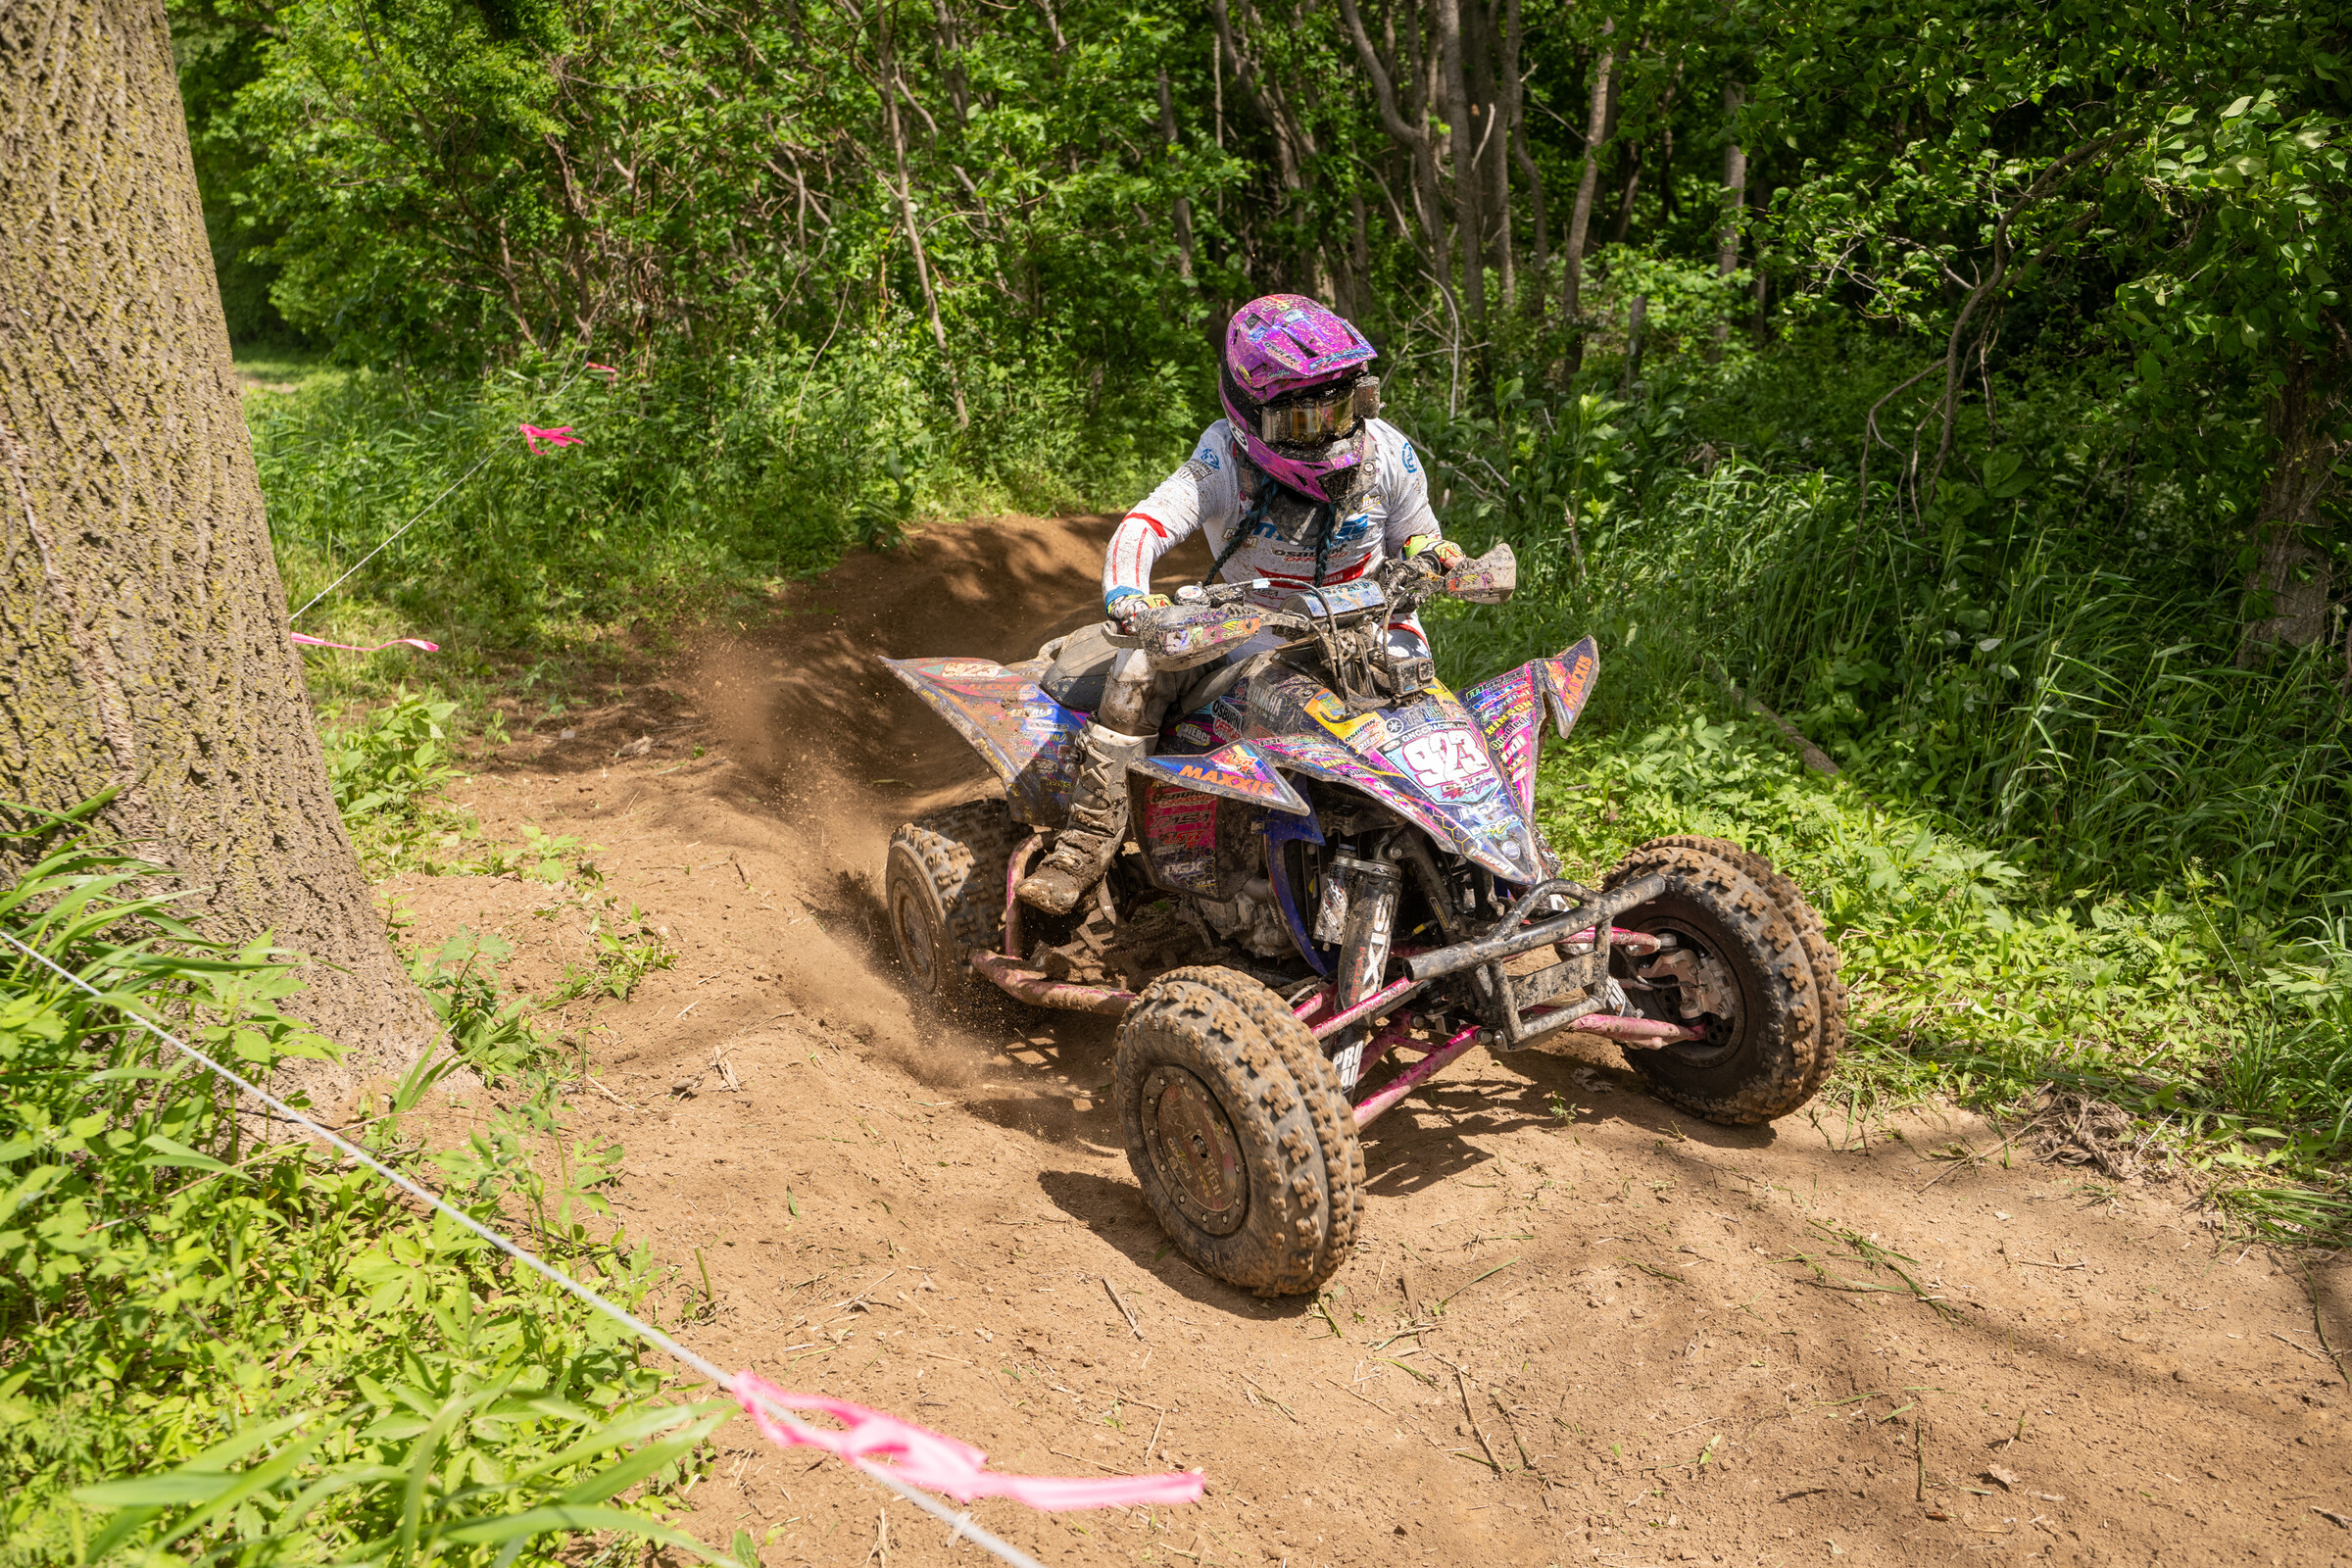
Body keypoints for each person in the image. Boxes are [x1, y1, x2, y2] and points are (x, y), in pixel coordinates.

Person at [1017, 293, 1464, 915]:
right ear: (1252, 413)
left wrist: (1434, 554)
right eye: (1304, 421)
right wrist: (1128, 598)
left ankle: (1473, 848)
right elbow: (1146, 524)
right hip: (1252, 630)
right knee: (1139, 670)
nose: (1331, 431)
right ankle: (1085, 844)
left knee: (1440, 723)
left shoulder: (1389, 450)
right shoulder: (1223, 456)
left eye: (1345, 405)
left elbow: (1418, 529)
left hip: (1371, 627)